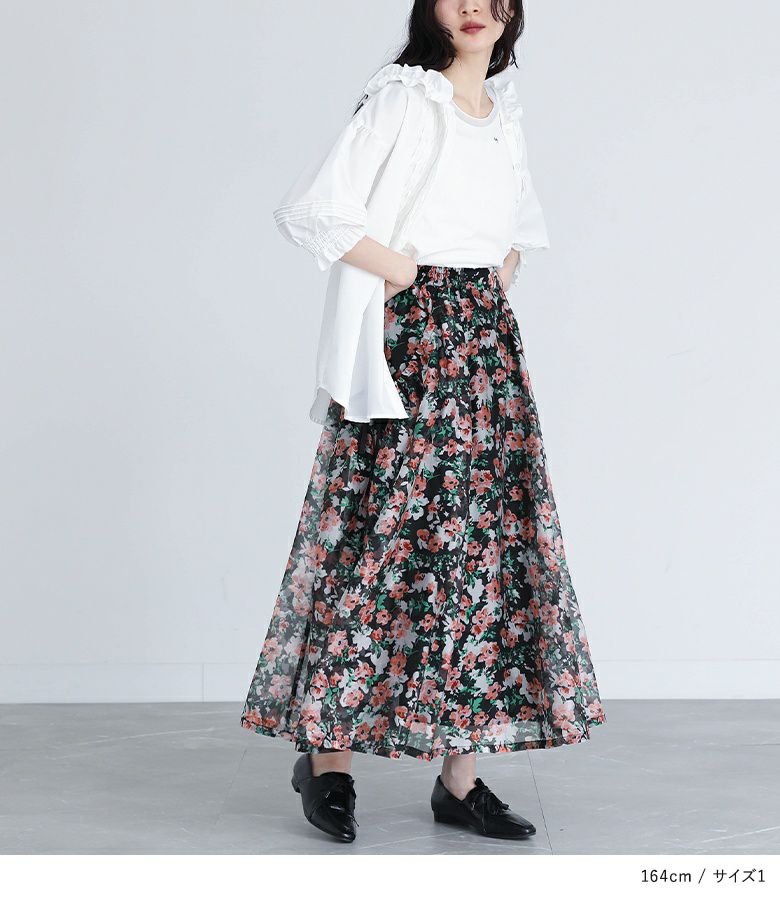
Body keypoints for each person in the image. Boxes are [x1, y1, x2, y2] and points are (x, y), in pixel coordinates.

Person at [241, 0, 606, 844]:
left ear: (512, 11)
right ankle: (327, 761)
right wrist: (410, 275)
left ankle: (459, 779)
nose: (474, 5)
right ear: (430, 8)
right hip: (411, 345)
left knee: (479, 552)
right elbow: (315, 209)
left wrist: (489, 278)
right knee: (375, 538)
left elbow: (516, 229)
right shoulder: (405, 98)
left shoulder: (501, 113)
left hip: (483, 349)